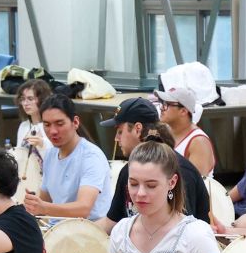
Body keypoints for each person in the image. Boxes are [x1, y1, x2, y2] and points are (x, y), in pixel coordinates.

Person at [96, 96, 209, 233]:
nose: (116, 138)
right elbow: (112, 221)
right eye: (134, 184)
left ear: (137, 129)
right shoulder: (128, 170)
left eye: (120, 131)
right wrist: (77, 230)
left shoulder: (179, 170)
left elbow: (183, 231)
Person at [24, 96, 112, 221]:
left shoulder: (91, 156)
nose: (53, 131)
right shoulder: (50, 154)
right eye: (47, 125)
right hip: (56, 230)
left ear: (75, 122)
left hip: (88, 232)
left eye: (59, 124)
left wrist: (43, 207)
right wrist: (33, 204)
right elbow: (45, 199)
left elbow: (83, 208)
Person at [156, 84, 216, 177]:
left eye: (167, 104)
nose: (161, 108)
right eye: (162, 103)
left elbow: (194, 185)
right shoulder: (164, 132)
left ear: (183, 111)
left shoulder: (198, 142)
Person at [14, 78, 53, 150]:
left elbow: (59, 154)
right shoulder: (24, 126)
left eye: (30, 99)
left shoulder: (52, 127)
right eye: (22, 99)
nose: (25, 103)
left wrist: (42, 143)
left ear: (42, 100)